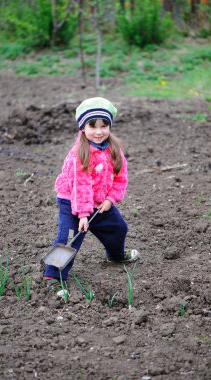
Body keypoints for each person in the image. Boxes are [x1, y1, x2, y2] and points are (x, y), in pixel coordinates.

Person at [44, 97, 139, 284]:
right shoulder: (79, 153)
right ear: (82, 128)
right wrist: (83, 215)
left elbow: (121, 177)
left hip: (100, 201)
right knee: (69, 237)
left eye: (103, 126)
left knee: (118, 228)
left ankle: (116, 255)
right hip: (72, 202)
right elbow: (81, 186)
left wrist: (111, 199)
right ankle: (53, 276)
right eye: (92, 126)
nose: (98, 131)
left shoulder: (113, 149)